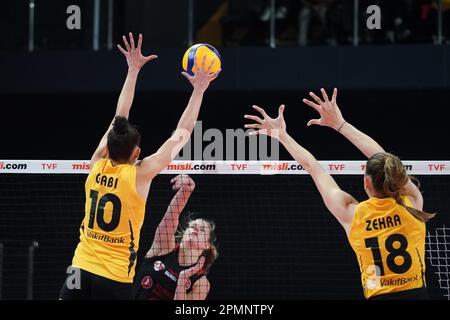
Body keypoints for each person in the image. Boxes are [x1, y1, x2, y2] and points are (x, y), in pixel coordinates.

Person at [59, 33, 220, 300]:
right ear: (137, 153)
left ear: (110, 145)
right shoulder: (140, 175)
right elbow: (181, 134)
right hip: (114, 278)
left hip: (80, 269)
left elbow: (118, 118)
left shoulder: (96, 163)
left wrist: (132, 70)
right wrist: (199, 91)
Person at [244, 88, 435, 299]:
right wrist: (340, 124)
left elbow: (313, 167)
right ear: (395, 176)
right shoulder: (412, 204)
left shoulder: (352, 214)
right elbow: (383, 157)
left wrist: (282, 136)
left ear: (366, 183)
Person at [134, 174, 218, 300]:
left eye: (202, 230)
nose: (196, 229)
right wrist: (185, 192)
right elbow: (170, 217)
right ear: (183, 234)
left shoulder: (201, 283)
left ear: (207, 245)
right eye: (193, 226)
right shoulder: (164, 248)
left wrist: (183, 278)